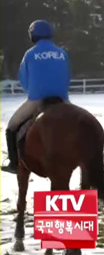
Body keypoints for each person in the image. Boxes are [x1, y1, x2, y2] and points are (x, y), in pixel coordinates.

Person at [2, 20, 71, 174]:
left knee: (11, 127)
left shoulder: (30, 54)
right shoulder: (62, 53)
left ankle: (14, 163)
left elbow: (24, 79)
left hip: (37, 99)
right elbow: (67, 77)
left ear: (33, 35)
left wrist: (33, 91)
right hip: (62, 98)